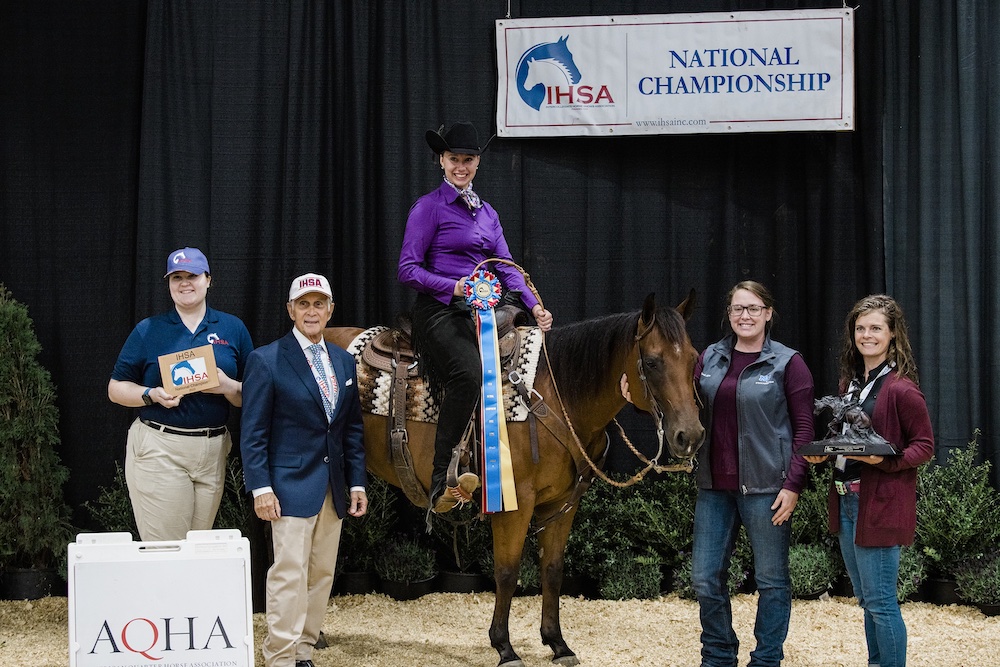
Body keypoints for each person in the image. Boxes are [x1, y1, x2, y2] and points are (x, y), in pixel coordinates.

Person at [397, 120, 553, 513]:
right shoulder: (429, 207)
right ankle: (439, 481)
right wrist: (455, 287)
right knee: (468, 374)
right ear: (441, 161)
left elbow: (506, 266)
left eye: (467, 160)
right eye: (454, 159)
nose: (460, 167)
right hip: (440, 309)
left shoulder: (488, 213)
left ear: (477, 163)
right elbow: (407, 269)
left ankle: (499, 466)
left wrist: (533, 303)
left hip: (486, 311)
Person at [240, 272, 367, 667]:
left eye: (319, 304)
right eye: (303, 304)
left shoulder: (344, 360)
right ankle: (279, 656)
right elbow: (254, 432)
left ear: (330, 310)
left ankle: (303, 650)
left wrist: (357, 482)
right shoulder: (266, 359)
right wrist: (261, 487)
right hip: (288, 485)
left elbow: (351, 430)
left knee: (321, 573)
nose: (311, 311)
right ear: (290, 310)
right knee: (289, 574)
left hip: (334, 487)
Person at [804, 295, 933, 667]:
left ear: (893, 335)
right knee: (866, 600)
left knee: (881, 603)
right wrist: (821, 455)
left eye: (876, 328)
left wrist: (885, 460)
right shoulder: (850, 384)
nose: (867, 335)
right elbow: (845, 443)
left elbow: (924, 446)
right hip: (846, 499)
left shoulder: (901, 388)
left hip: (876, 502)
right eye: (860, 328)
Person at [692, 280, 814, 667]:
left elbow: (806, 431)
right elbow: (683, 407)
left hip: (767, 489)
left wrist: (793, 484)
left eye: (753, 308)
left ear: (768, 314)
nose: (745, 316)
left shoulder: (788, 363)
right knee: (705, 579)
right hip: (714, 486)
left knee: (772, 582)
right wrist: (638, 400)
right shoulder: (709, 357)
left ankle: (766, 659)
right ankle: (718, 655)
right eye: (737, 309)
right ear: (728, 315)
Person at [108, 246, 253, 541]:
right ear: (169, 284)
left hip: (213, 450)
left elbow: (252, 395)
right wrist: (152, 394)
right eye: (177, 277)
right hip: (161, 447)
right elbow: (115, 388)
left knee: (195, 550)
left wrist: (228, 387)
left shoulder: (232, 327)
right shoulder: (149, 329)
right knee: (169, 550)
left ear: (208, 279)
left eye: (193, 275)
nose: (185, 283)